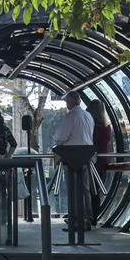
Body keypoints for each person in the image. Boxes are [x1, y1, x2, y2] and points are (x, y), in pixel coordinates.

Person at [54, 91, 96, 229]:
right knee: (85, 188)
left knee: (73, 189)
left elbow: (60, 136)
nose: (66, 104)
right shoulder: (88, 115)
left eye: (67, 101)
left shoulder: (71, 116)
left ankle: (76, 220)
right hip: (87, 155)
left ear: (71, 102)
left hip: (71, 156)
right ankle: (87, 218)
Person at [86, 99, 111, 227]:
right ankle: (94, 216)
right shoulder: (107, 127)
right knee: (96, 191)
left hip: (89, 160)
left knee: (87, 190)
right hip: (102, 161)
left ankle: (87, 216)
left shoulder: (90, 127)